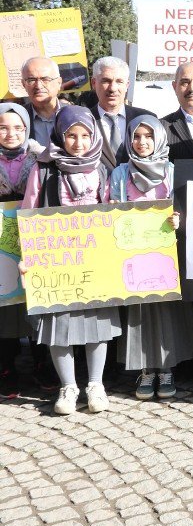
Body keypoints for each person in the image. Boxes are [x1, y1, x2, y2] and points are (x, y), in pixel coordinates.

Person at [20, 106, 122, 415]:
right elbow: (28, 212)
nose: (78, 142)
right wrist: (26, 255)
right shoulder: (45, 168)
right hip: (56, 261)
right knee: (58, 324)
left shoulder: (101, 168)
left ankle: (95, 384)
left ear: (93, 137)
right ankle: (67, 386)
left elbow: (111, 210)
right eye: (71, 135)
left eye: (85, 135)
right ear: (60, 136)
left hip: (95, 259)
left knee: (97, 323)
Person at [110, 116, 193, 399]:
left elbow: (184, 209)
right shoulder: (120, 174)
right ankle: (146, 370)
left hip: (165, 255)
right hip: (133, 254)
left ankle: (166, 368)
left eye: (149, 136)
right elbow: (109, 207)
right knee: (139, 314)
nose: (143, 142)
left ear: (159, 139)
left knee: (167, 313)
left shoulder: (172, 171)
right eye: (137, 136)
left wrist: (178, 219)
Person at [0, 103, 43, 398]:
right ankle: (6, 368)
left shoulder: (39, 160)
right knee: (4, 306)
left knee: (36, 300)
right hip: (2, 245)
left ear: (27, 129)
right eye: (2, 127)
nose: (10, 133)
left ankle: (43, 366)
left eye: (17, 127)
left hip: (33, 241)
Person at [88, 56, 154, 170]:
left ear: (127, 85)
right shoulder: (84, 120)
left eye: (119, 81)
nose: (113, 88)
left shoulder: (147, 119)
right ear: (94, 83)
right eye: (106, 81)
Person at [20, 57, 67, 147]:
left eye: (45, 79)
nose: (38, 86)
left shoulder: (76, 115)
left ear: (59, 82)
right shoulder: (17, 118)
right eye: (31, 80)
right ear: (23, 84)